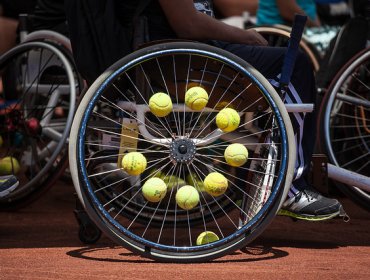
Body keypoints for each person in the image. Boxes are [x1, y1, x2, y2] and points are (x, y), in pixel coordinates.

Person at [66, 0, 344, 221]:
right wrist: (245, 36)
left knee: (283, 63)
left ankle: (273, 167)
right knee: (295, 66)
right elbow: (187, 23)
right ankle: (290, 186)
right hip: (182, 59)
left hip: (179, 57)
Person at [257, 0, 321, 27]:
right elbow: (288, 11)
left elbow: (309, 4)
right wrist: (316, 27)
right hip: (279, 34)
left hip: (306, 28)